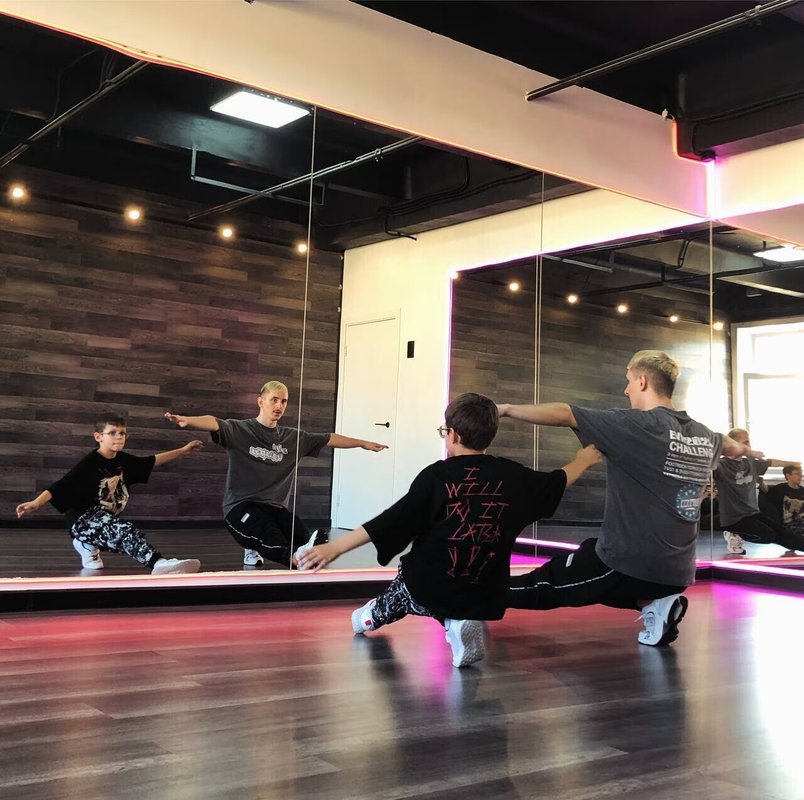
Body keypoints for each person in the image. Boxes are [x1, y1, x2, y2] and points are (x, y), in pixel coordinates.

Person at [296, 392, 602, 668]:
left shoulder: (436, 476)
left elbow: (392, 520)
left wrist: (335, 547)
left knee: (400, 595)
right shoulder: (514, 476)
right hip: (484, 590)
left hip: (428, 584)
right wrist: (583, 460)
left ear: (453, 435)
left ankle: (369, 617)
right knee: (453, 595)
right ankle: (456, 621)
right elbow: (556, 482)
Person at [497, 349, 757, 647]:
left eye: (629, 380)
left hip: (630, 564)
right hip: (678, 572)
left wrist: (505, 409)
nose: (626, 389)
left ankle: (476, 599)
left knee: (545, 583)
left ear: (643, 381)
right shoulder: (704, 435)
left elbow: (566, 413)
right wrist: (746, 450)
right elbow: (729, 444)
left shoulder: (636, 425)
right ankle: (654, 604)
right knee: (590, 552)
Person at [165, 380, 387, 568]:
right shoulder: (240, 430)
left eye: (284, 401)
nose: (279, 405)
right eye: (274, 400)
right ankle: (296, 560)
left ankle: (280, 552)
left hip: (275, 508)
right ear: (261, 401)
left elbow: (329, 438)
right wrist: (188, 420)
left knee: (303, 538)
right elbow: (214, 422)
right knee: (270, 535)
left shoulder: (293, 437)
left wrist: (363, 443)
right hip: (240, 506)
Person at [15, 413, 203, 574]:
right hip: (83, 521)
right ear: (98, 437)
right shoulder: (89, 463)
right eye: (112, 433)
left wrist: (182, 451)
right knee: (124, 530)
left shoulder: (124, 460)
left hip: (105, 518)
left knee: (118, 531)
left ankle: (86, 545)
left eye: (122, 433)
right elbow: (61, 486)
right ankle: (158, 563)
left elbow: (150, 462)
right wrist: (36, 503)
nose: (118, 437)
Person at [715, 431, 802, 555]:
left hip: (753, 513)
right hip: (734, 519)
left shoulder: (750, 463)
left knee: (782, 533)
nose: (749, 445)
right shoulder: (721, 465)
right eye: (746, 442)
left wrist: (792, 463)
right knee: (769, 536)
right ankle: (734, 534)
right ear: (734, 444)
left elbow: (772, 462)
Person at [766, 465, 804, 535]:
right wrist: (760, 483)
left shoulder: (802, 490)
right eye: (797, 474)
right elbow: (766, 490)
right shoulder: (780, 488)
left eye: (801, 473)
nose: (801, 476)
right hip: (789, 526)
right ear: (788, 476)